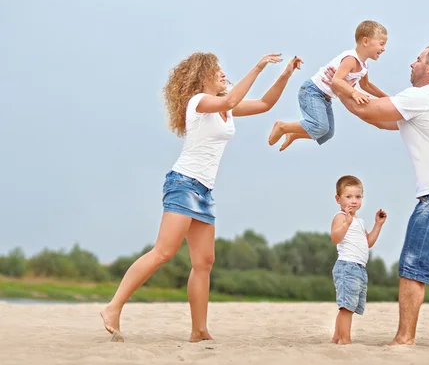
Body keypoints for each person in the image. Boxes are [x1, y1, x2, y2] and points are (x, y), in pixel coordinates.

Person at [100, 51, 303, 343]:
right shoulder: (199, 102)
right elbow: (230, 99)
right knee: (164, 252)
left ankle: (199, 330)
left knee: (204, 261)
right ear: (202, 76)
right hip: (183, 184)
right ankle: (113, 307)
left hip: (204, 190)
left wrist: (284, 74)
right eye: (216, 70)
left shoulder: (225, 109)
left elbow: (264, 104)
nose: (223, 73)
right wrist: (258, 67)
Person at [324, 45, 429, 347]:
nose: (412, 63)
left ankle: (405, 338)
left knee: (412, 268)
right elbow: (379, 119)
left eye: (418, 59)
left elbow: (369, 109)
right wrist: (352, 91)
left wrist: (338, 86)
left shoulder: (422, 97)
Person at [267, 20, 389, 152]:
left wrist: (387, 98)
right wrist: (354, 93)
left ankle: (294, 135)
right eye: (381, 44)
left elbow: (366, 85)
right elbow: (337, 80)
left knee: (328, 133)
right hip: (312, 91)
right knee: (320, 127)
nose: (384, 48)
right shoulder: (350, 59)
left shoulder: (364, 66)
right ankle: (283, 126)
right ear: (365, 42)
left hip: (325, 98)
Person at [330, 175, 387, 345]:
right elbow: (335, 238)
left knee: (350, 306)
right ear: (338, 199)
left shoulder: (360, 221)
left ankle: (337, 337)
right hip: (347, 266)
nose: (353, 201)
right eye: (348, 197)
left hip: (359, 268)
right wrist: (346, 223)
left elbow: (367, 242)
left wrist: (378, 224)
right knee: (346, 306)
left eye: (358, 197)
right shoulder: (340, 217)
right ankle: (344, 339)